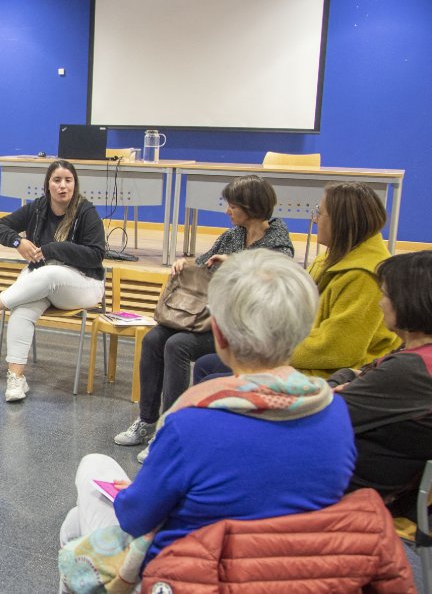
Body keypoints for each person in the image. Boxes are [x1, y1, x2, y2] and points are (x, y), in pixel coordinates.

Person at [60, 250, 355, 583]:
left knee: (91, 471)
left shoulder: (192, 422)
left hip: (195, 573)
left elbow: (135, 517)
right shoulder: (335, 413)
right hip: (288, 574)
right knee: (74, 526)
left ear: (219, 333)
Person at [113, 175, 294, 451]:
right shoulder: (232, 235)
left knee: (177, 345)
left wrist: (235, 263)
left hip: (243, 331)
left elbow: (272, 281)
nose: (227, 211)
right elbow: (202, 266)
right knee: (153, 339)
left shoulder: (278, 244)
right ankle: (147, 420)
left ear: (251, 207)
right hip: (206, 319)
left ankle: (170, 431)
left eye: (233, 206)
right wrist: (183, 265)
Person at [191, 180, 401, 383]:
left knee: (212, 379)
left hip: (330, 372)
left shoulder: (365, 276)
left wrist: (268, 353)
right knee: (205, 364)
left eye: (320, 212)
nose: (315, 220)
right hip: (300, 354)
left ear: (342, 222)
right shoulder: (329, 258)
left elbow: (337, 350)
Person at [0, 159, 106, 402]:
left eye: (68, 181)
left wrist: (53, 249)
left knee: (47, 274)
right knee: (22, 309)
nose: (62, 186)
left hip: (84, 284)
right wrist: (18, 242)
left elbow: (95, 255)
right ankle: (16, 379)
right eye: (57, 180)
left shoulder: (86, 212)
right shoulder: (38, 208)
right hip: (46, 283)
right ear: (47, 185)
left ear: (75, 184)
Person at [329, 250, 432, 522]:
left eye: (385, 295)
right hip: (380, 474)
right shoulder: (416, 354)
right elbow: (357, 372)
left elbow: (325, 413)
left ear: (409, 301)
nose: (380, 303)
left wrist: (343, 381)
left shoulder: (410, 369)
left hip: (356, 484)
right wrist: (347, 377)